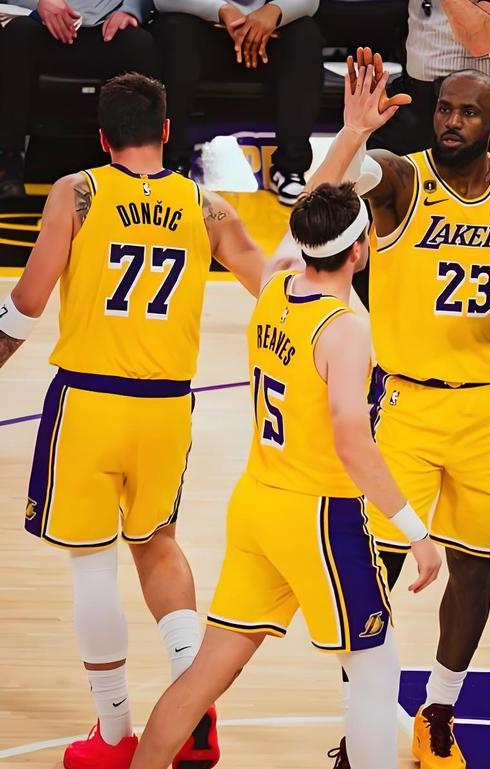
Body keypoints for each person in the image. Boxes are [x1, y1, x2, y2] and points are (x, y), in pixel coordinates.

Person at [309, 59, 490, 768]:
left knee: (472, 567)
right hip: (407, 404)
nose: (451, 122)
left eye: (467, 112)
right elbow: (328, 187)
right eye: (443, 109)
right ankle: (366, 719)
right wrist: (353, 130)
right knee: (374, 568)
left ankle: (438, 710)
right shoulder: (402, 180)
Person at [0, 71, 267, 769]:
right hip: (167, 408)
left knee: (92, 562)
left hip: (89, 401)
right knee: (159, 544)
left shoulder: (77, 192)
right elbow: (273, 288)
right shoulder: (206, 206)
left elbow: (27, 304)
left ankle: (116, 733)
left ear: (102, 138)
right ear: (167, 132)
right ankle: (194, 713)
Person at [126, 182, 442, 769]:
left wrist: (351, 140)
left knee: (206, 672)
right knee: (376, 668)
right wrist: (415, 531)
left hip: (257, 504)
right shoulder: (345, 328)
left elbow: (308, 218)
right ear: (360, 250)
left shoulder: (274, 287)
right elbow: (353, 443)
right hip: (319, 514)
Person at [150, 0, 323, 204]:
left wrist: (274, 11)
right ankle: (173, 164)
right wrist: (221, 10)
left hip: (268, 39)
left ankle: (291, 168)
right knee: (174, 30)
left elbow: (311, 3)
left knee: (305, 33)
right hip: (203, 32)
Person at [0, 0, 159, 199]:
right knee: (16, 34)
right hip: (37, 21)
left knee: (140, 43)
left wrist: (131, 11)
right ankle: (8, 165)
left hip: (108, 25)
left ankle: (140, 172)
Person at [367, 0, 490, 158]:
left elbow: (480, 40)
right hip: (412, 92)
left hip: (472, 100)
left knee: (458, 172)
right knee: (374, 163)